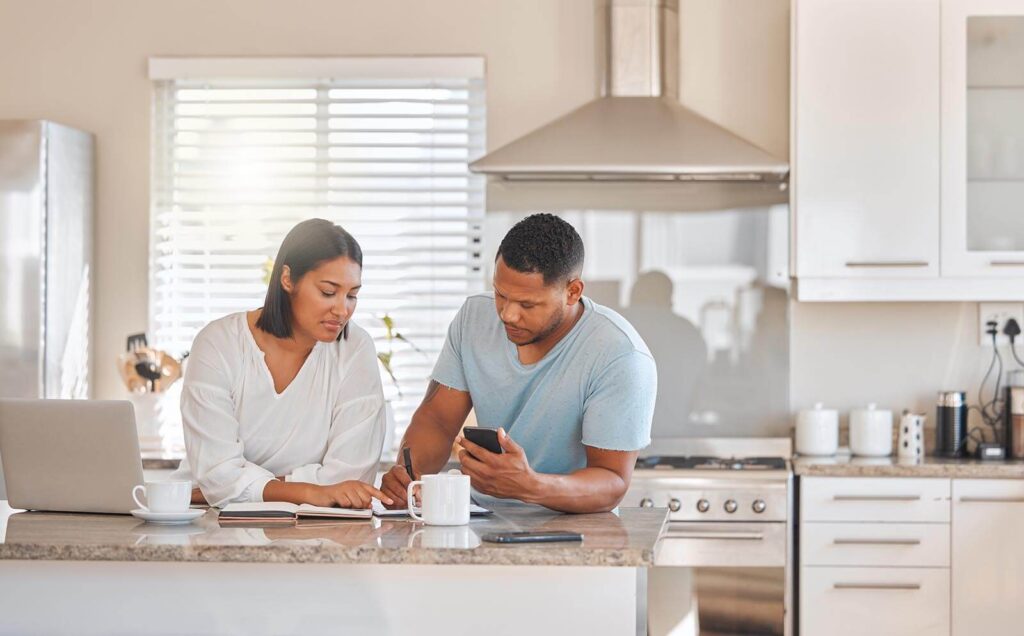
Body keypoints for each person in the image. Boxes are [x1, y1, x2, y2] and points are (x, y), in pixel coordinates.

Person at [380, 213, 657, 513]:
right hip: (479, 517)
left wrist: (530, 485)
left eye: (528, 304)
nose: (507, 315)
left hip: (574, 528)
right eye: (500, 294)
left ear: (572, 292)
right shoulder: (474, 317)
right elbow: (437, 420)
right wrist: (408, 476)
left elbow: (612, 481)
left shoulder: (620, 355)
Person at [172, 218, 392, 509]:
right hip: (208, 522)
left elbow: (351, 480)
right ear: (287, 279)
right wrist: (312, 491)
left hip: (316, 531)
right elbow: (219, 476)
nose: (342, 310)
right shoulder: (218, 343)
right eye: (328, 292)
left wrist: (236, 487)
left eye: (352, 295)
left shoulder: (355, 348)